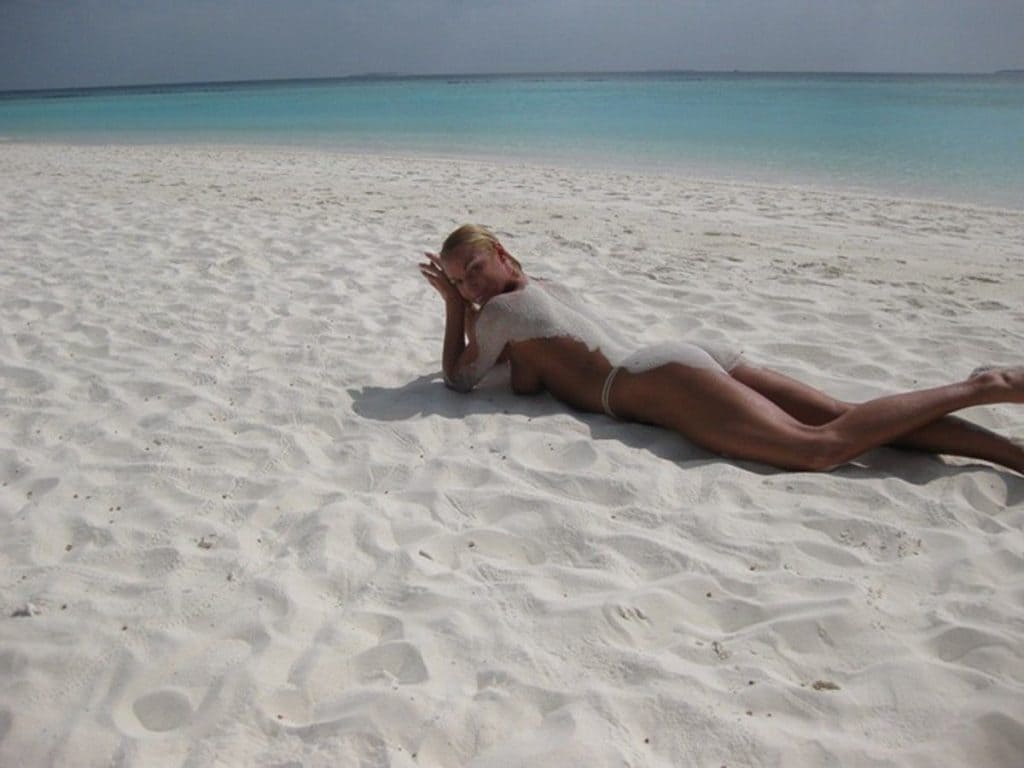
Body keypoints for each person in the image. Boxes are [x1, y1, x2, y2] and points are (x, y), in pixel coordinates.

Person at [419, 224, 1024, 474]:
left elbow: (461, 378)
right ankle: (1013, 453)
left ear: (502, 254)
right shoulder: (540, 292)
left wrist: (451, 308)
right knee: (844, 415)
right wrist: (470, 309)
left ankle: (983, 386)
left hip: (657, 381)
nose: (471, 286)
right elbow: (525, 371)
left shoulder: (499, 314)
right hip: (677, 357)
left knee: (819, 448)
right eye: (460, 281)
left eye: (473, 270)